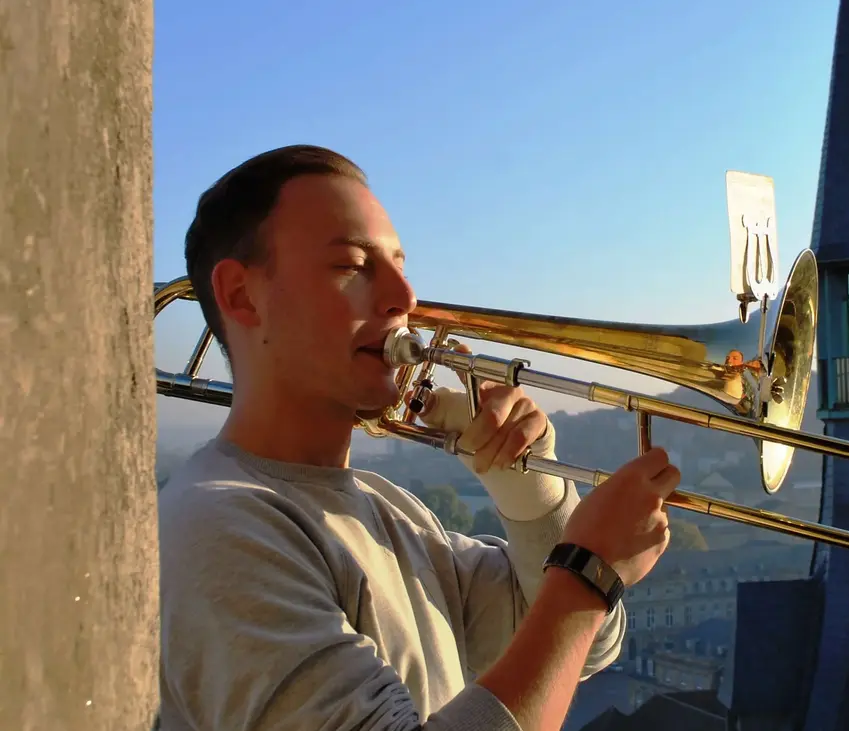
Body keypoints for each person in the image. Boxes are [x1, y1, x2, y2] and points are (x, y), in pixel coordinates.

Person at [157, 145, 681, 731]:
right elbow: (573, 609)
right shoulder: (217, 527)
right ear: (239, 295)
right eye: (351, 265)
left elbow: (584, 644)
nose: (404, 299)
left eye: (399, 264)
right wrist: (588, 570)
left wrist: (534, 501)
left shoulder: (390, 510)